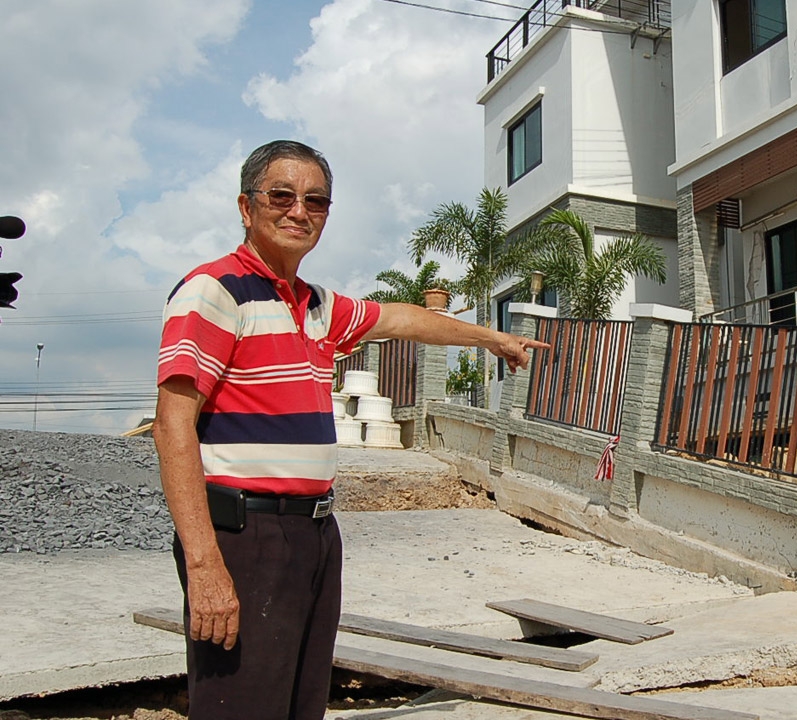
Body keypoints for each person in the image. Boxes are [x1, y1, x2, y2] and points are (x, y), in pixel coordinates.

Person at [153, 140, 547, 719]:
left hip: (314, 536)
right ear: (246, 207)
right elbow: (171, 428)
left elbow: (402, 317)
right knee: (242, 706)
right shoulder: (214, 291)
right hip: (245, 538)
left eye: (315, 201)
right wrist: (205, 564)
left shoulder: (317, 305)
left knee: (299, 703)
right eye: (280, 196)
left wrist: (494, 339)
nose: (298, 211)